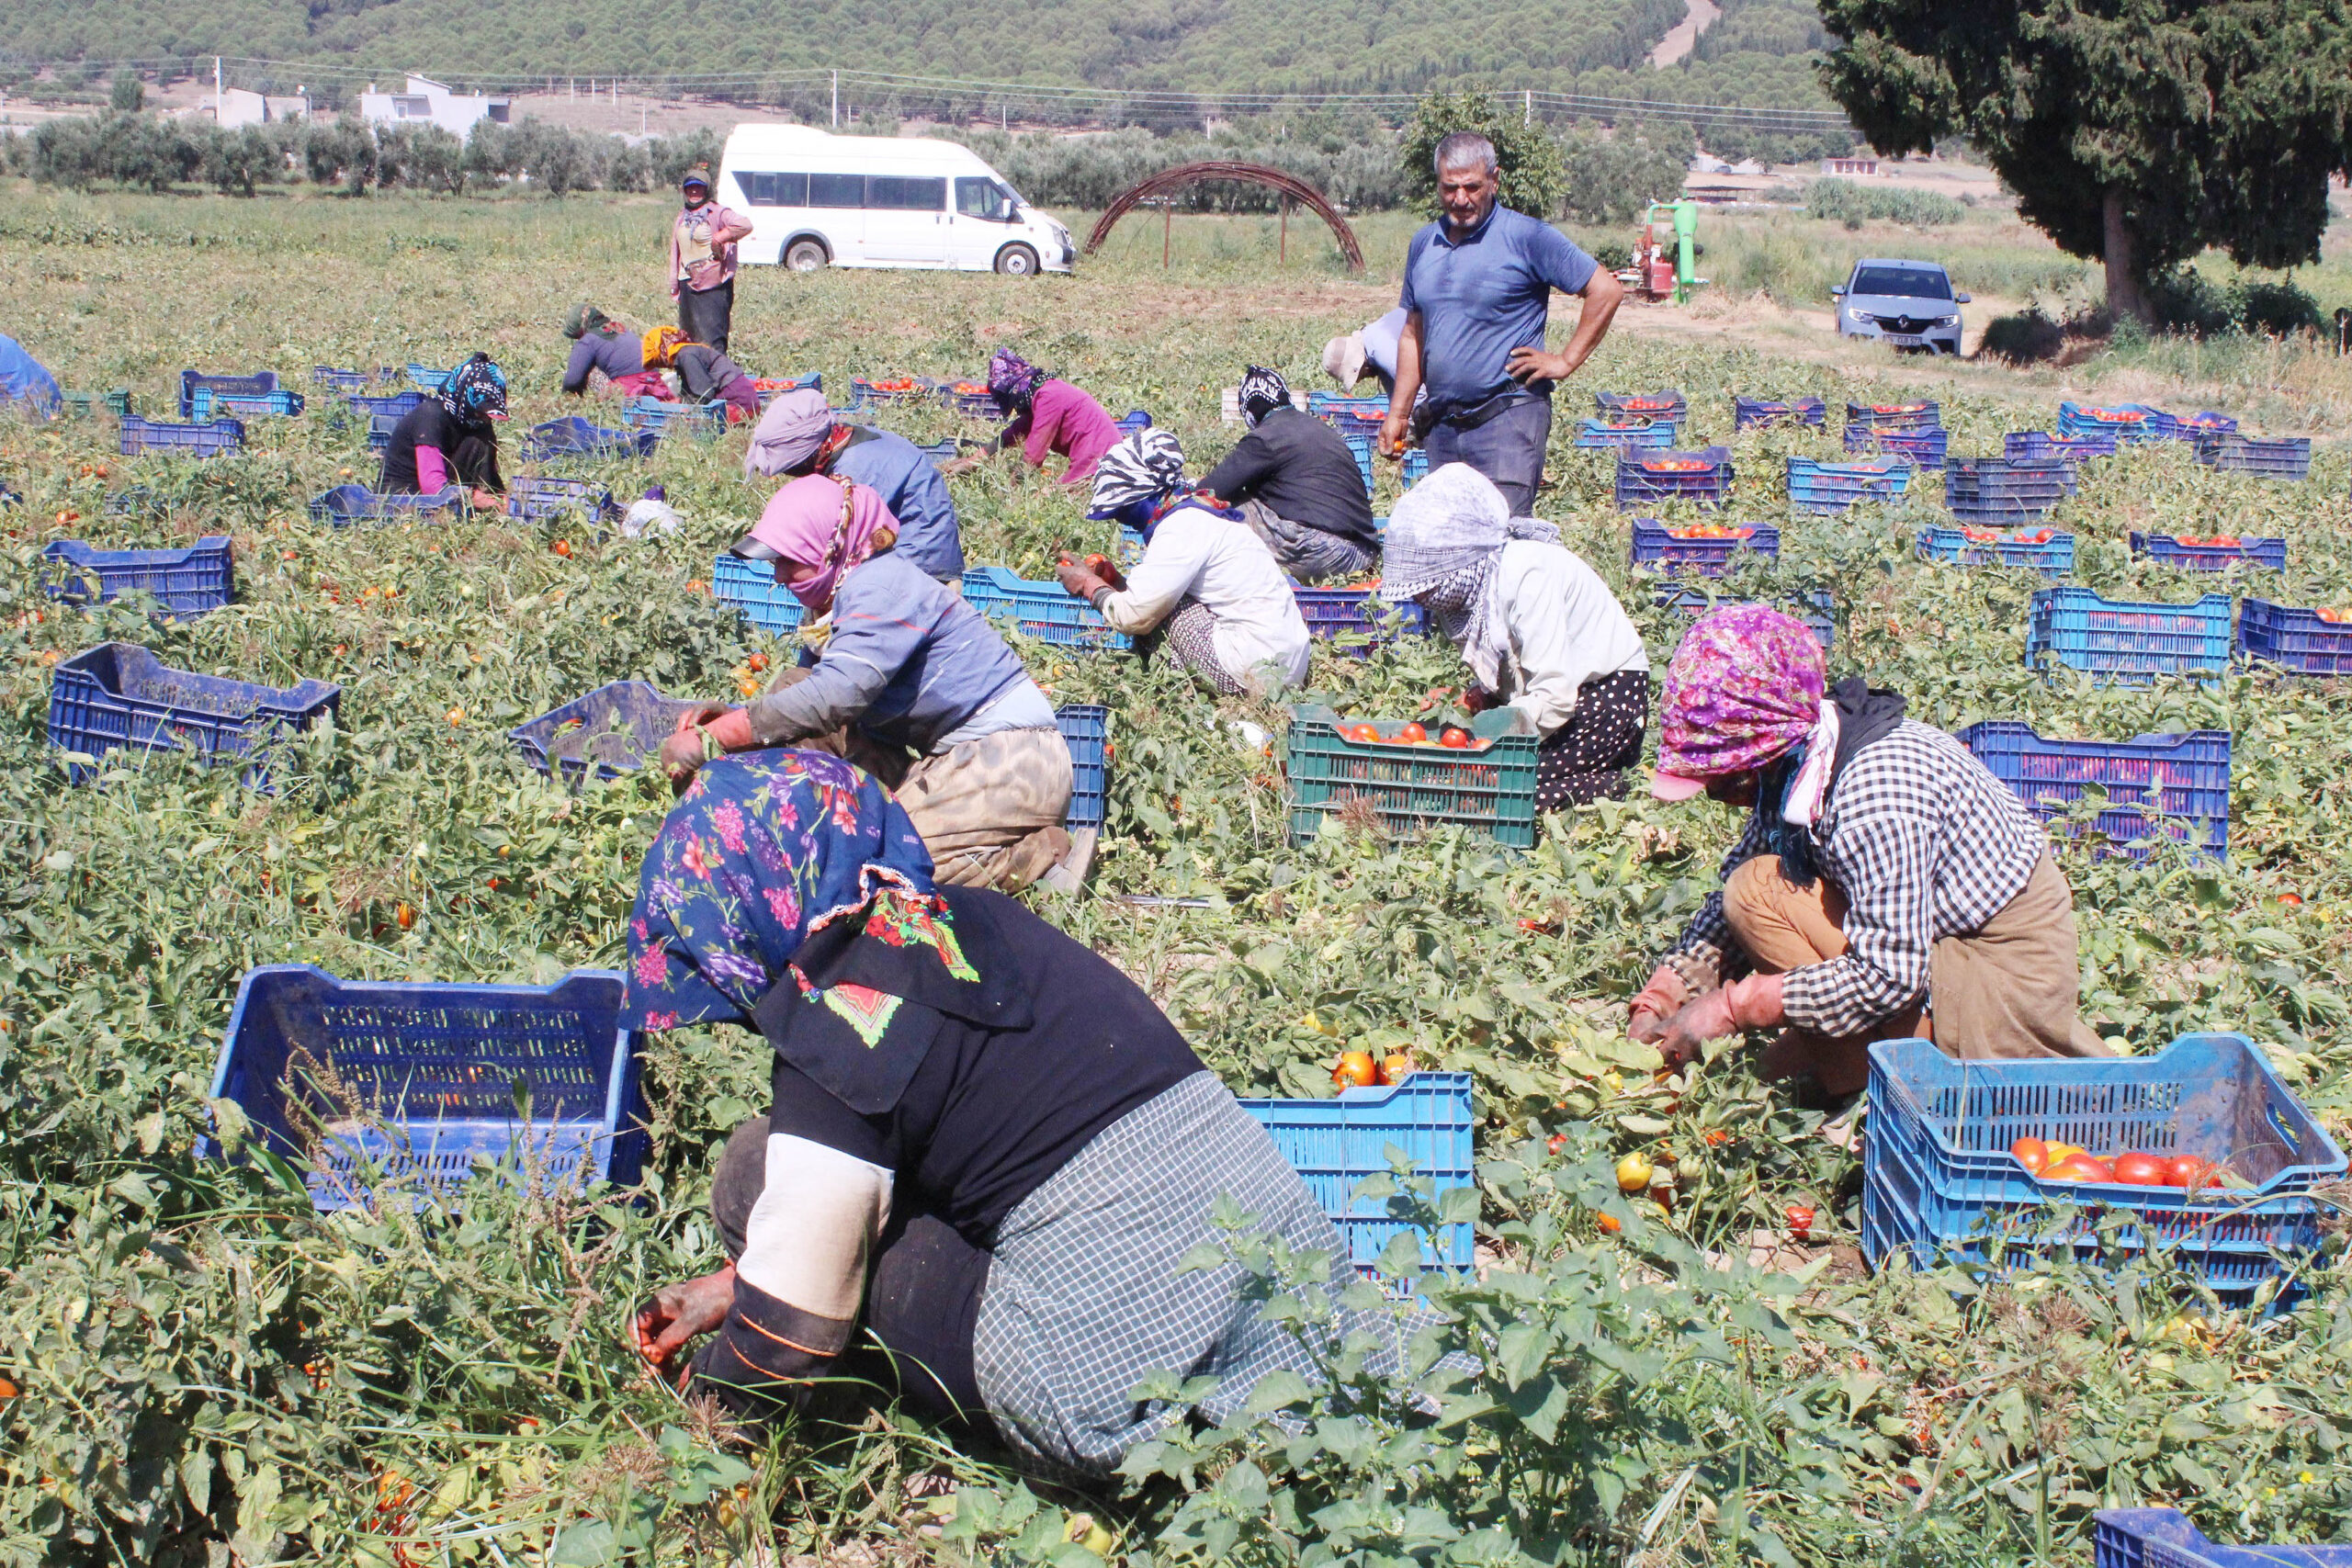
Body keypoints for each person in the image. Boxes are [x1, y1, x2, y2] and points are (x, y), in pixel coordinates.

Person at [625, 752, 1429, 1478]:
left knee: (752, 1175)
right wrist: (730, 1284)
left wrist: (713, 1407)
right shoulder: (979, 919)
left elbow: (792, 1326)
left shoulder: (836, 1024)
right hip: (1265, 1260)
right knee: (837, 1184)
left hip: (1103, 1381)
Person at [1625, 606, 2109, 1100]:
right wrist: (1665, 994)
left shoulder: (1876, 792)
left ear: (1764, 746)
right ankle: (1853, 1058)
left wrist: (1736, 1007)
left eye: (1723, 775)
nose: (1715, 792)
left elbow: (1888, 975)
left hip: (1991, 977)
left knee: (1757, 896)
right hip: (1931, 949)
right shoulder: (1799, 763)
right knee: (1753, 891)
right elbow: (1723, 913)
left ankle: (1872, 1087)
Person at [659, 473, 1070, 890]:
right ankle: (850, 831)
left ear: (830, 547)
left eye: (788, 560)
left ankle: (1034, 857)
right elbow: (807, 698)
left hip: (1012, 762)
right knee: (792, 686)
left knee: (891, 871)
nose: (779, 576)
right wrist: (733, 722)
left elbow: (837, 695)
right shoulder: (838, 596)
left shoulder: (880, 583)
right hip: (950, 758)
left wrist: (719, 736)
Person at [1378, 132, 1624, 516]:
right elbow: (1413, 333)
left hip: (1507, 419)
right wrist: (1398, 413)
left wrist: (1565, 361)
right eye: (1450, 188)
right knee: (1451, 539)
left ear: (1494, 180)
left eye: (1472, 187)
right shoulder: (1423, 243)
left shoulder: (1527, 236)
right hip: (1443, 426)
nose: (1461, 199)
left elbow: (1605, 290)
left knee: (1503, 539)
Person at [1383, 464, 1650, 810]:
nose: (1423, 599)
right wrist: (1478, 697)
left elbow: (1554, 694)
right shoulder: (1488, 579)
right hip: (1564, 698)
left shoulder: (1527, 575)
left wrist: (1490, 740)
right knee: (1473, 778)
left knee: (1497, 788)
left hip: (1605, 703)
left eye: (1429, 587)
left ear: (1460, 563)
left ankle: (1611, 785)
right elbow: (1519, 668)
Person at [1055, 430, 1310, 697]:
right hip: (1287, 668)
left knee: (1156, 615)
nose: (1121, 520)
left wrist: (1088, 584)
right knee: (1158, 602)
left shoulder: (1181, 527)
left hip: (1253, 668)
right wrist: (1116, 582)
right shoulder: (1199, 513)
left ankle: (1183, 697)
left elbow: (1136, 615)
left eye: (1124, 510)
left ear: (1144, 497)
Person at [743, 389, 965, 581]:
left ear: (809, 454)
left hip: (923, 563)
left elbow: (843, 543)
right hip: (903, 547)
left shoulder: (857, 471)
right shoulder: (841, 440)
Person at [1197, 367, 1380, 584]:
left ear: (1249, 412)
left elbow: (1211, 490)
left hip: (1323, 553)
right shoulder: (1322, 430)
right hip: (1363, 554)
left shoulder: (1265, 438)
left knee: (1221, 506)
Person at [379, 354, 508, 512]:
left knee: (481, 439)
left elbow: (490, 476)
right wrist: (475, 498)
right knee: (479, 441)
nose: (486, 420)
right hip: (402, 500)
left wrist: (503, 500)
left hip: (444, 497)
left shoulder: (476, 423)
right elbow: (432, 485)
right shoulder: (430, 417)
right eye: (480, 413)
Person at [982, 348, 1121, 488]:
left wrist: (1008, 491)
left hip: (1100, 463)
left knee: (1049, 498)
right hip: (1100, 458)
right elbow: (1014, 432)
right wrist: (973, 460)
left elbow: (1032, 460)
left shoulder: (1048, 398)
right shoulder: (1044, 394)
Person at [672, 165, 752, 354]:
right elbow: (676, 252)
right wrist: (674, 283)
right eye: (690, 187)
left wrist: (720, 238)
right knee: (689, 340)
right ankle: (694, 381)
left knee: (713, 341)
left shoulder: (717, 212)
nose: (694, 191)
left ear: (706, 189)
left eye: (699, 187)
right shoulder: (682, 217)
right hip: (687, 285)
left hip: (713, 287)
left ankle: (717, 380)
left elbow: (745, 224)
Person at [639, 326, 763, 424]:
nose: (663, 367)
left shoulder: (686, 356)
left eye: (658, 362)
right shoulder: (688, 351)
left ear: (662, 351)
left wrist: (678, 406)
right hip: (746, 401)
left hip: (739, 405)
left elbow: (703, 394)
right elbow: (692, 389)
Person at [559, 304, 672, 402]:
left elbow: (572, 381)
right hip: (655, 380)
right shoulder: (619, 329)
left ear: (581, 330)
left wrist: (566, 400)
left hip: (630, 385)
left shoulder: (588, 340)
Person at [1322, 308, 1408, 397]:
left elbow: (1418, 394)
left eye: (1359, 374)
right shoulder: (1370, 345)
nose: (1358, 381)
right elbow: (1395, 396)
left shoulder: (1384, 354)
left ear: (1360, 364)